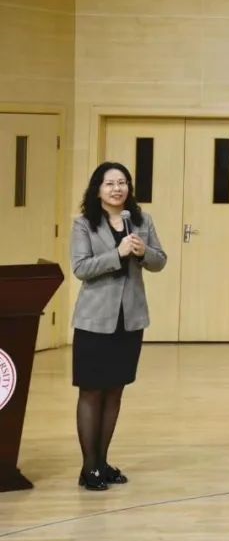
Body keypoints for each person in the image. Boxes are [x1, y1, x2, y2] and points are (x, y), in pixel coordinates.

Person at [70, 162, 166, 490]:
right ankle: (89, 468)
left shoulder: (141, 221)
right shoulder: (84, 224)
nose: (117, 189)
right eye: (109, 183)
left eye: (122, 182)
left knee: (114, 391)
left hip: (130, 319)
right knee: (91, 391)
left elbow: (160, 261)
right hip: (94, 320)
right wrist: (118, 253)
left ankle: (102, 462)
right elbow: (81, 268)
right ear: (97, 189)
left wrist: (143, 251)